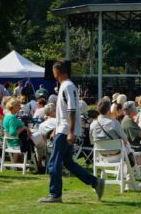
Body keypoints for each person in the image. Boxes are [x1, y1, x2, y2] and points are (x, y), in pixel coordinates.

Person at [40, 61, 104, 203]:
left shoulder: (67, 86)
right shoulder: (67, 86)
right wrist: (57, 128)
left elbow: (72, 110)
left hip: (65, 130)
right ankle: (95, 182)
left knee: (54, 162)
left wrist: (70, 131)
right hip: (64, 129)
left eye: (53, 71)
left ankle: (55, 194)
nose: (53, 74)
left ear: (57, 72)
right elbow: (65, 112)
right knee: (68, 162)